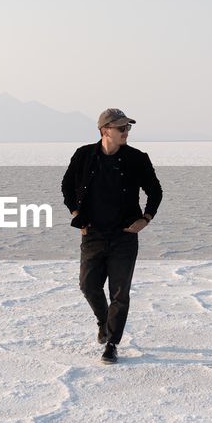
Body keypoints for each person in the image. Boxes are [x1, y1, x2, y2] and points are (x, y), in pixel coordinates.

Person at [61, 108, 162, 363]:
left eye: (128, 128)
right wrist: (76, 213)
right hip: (92, 233)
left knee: (120, 293)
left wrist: (145, 219)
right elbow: (67, 186)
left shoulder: (137, 159)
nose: (126, 132)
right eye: (121, 128)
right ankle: (103, 321)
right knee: (88, 285)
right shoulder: (84, 156)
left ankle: (112, 344)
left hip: (124, 236)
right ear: (105, 130)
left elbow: (155, 191)